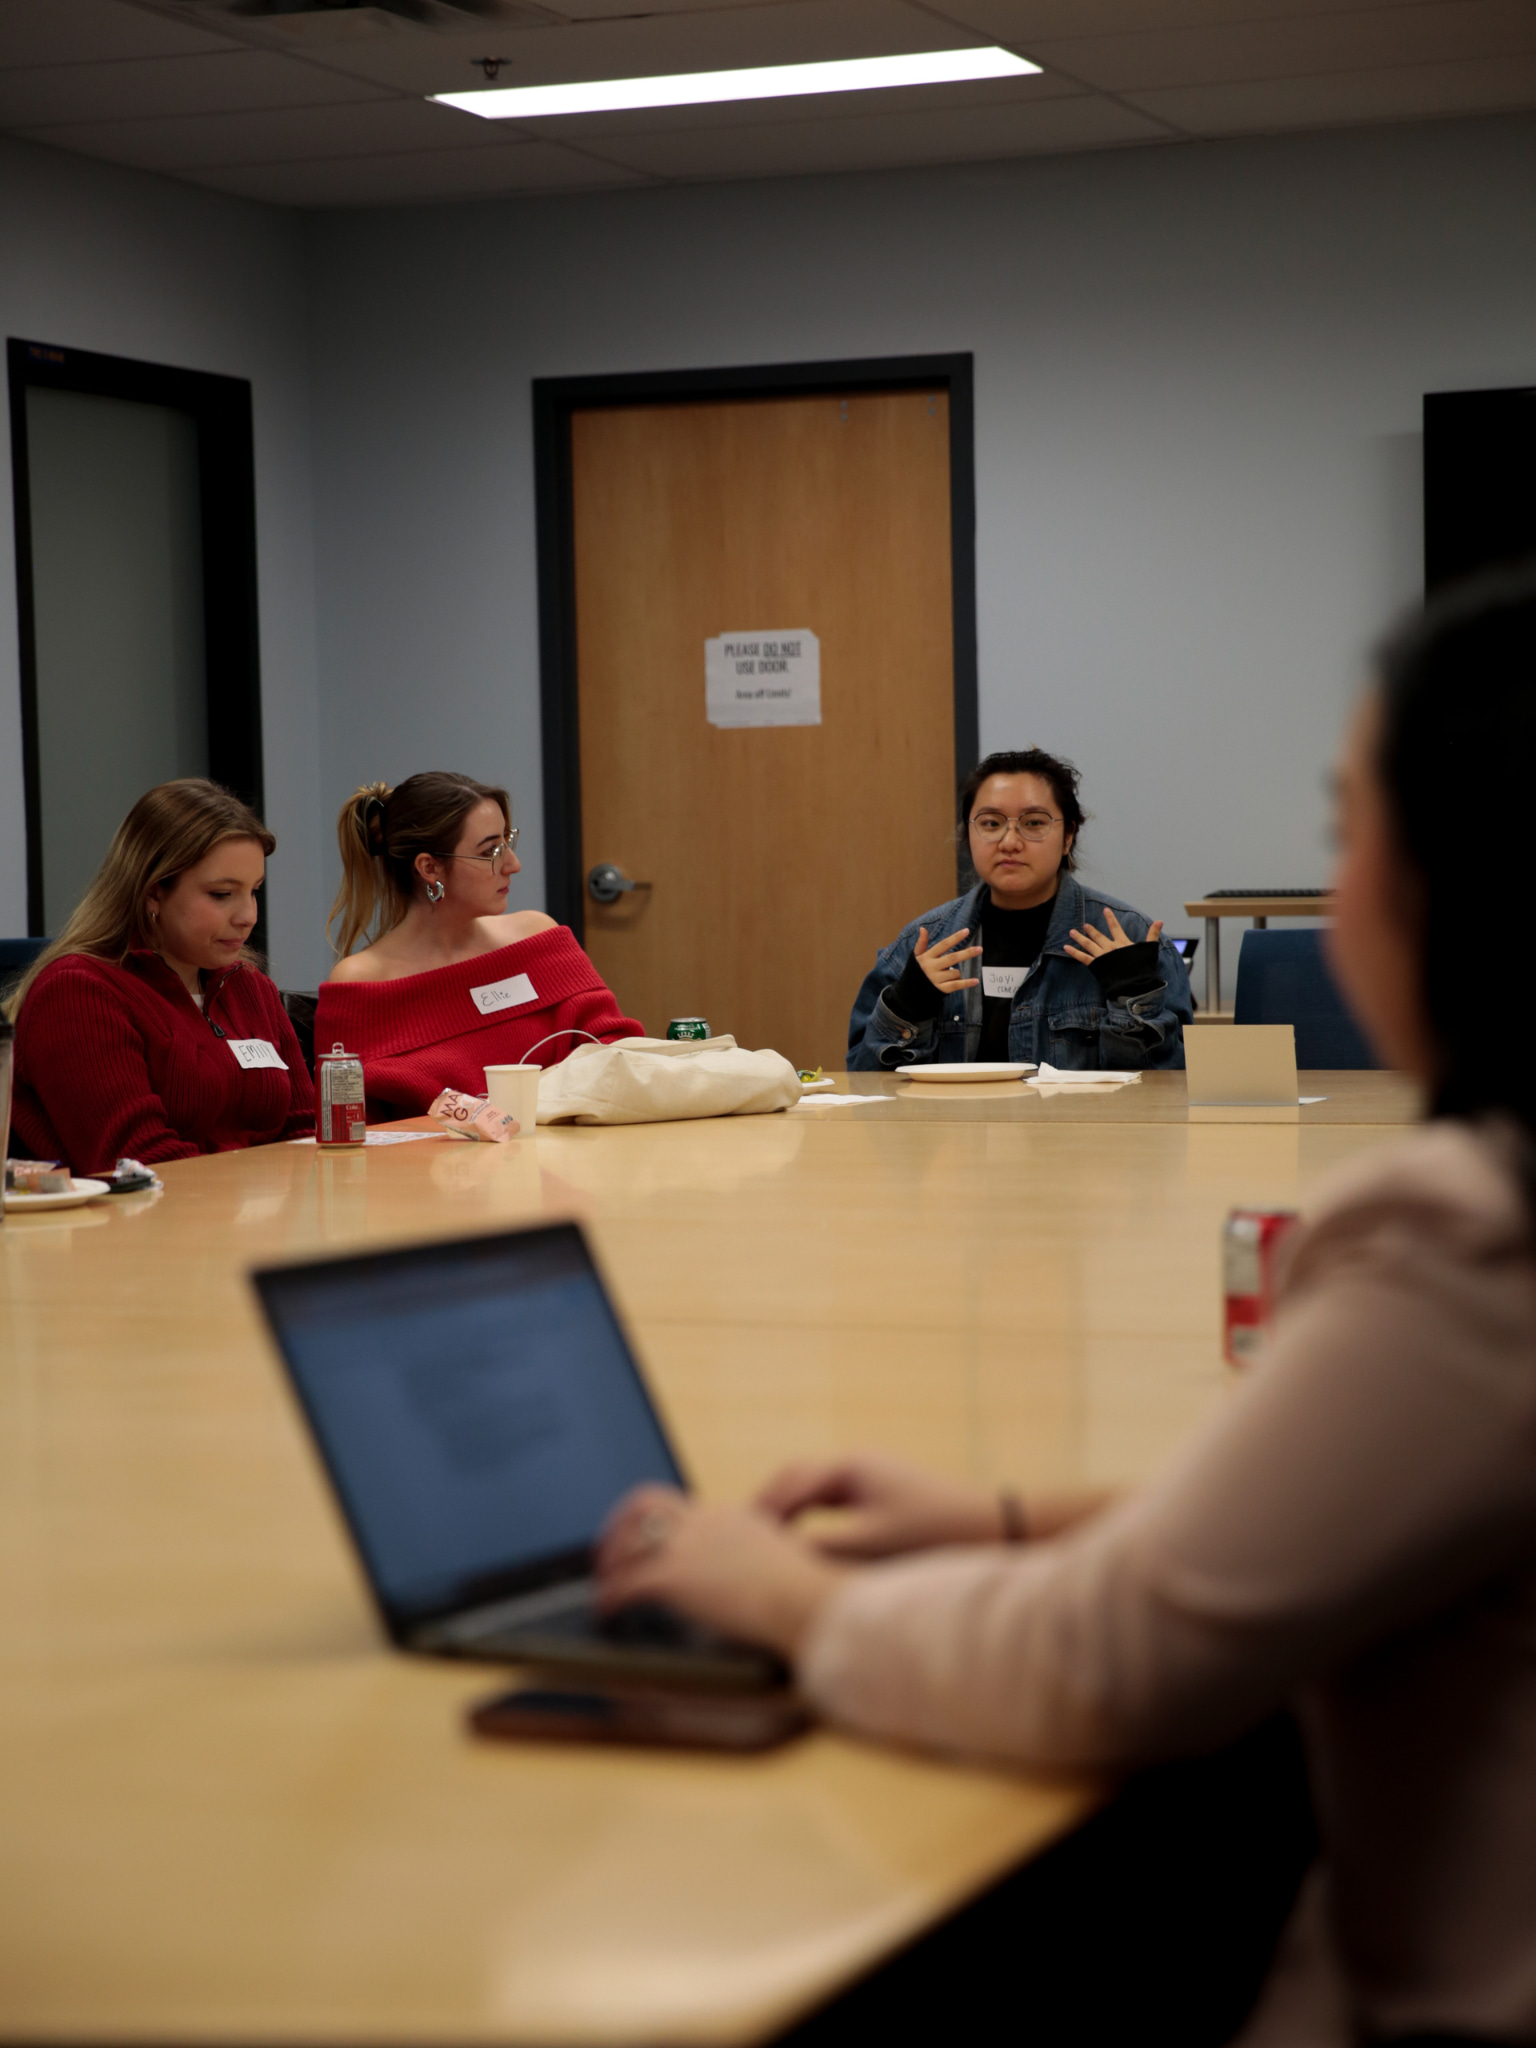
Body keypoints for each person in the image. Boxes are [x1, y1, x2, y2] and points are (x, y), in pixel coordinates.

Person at [598, 570, 1536, 2044]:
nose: (1336, 881)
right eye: (990, 819)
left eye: (1352, 829)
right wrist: (1015, 1519)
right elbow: (861, 1054)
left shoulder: (1467, 1238)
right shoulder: (927, 941)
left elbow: (1106, 1663)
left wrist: (786, 1595)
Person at [6, 779, 314, 1175]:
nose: (248, 916)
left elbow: (306, 1136)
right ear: (154, 893)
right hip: (143, 1230)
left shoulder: (249, 986)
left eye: (254, 891)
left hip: (261, 1227)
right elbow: (138, 1166)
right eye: (222, 894)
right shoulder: (77, 991)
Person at [315, 773, 642, 1116]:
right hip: (432, 1167)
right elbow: (345, 1124)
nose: (513, 865)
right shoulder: (364, 983)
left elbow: (616, 1053)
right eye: (491, 852)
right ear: (429, 867)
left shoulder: (537, 937)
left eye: (507, 842)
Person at [847, 748, 1191, 1071]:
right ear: (969, 835)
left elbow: (1175, 1088)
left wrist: (1133, 1003)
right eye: (991, 824)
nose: (1010, 842)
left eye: (1034, 824)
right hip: (957, 1134)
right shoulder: (921, 945)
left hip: (1081, 1135)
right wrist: (905, 1008)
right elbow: (865, 1083)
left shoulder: (1129, 940)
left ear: (1068, 836)